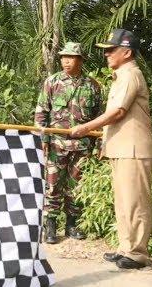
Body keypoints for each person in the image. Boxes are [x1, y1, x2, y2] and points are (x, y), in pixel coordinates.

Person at [70, 29, 152, 269]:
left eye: (111, 50)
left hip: (134, 149)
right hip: (121, 148)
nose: (106, 54)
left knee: (135, 202)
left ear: (126, 52)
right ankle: (125, 248)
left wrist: (85, 127)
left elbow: (118, 112)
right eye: (105, 50)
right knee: (123, 201)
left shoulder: (130, 75)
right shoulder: (121, 75)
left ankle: (137, 253)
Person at [34, 42, 102, 243]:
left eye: (71, 57)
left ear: (80, 60)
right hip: (56, 144)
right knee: (53, 184)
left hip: (82, 146)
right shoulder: (52, 82)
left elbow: (99, 117)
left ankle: (72, 224)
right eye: (64, 57)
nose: (66, 61)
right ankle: (50, 225)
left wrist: (98, 144)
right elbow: (41, 112)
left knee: (76, 185)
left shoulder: (92, 86)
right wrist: (43, 138)